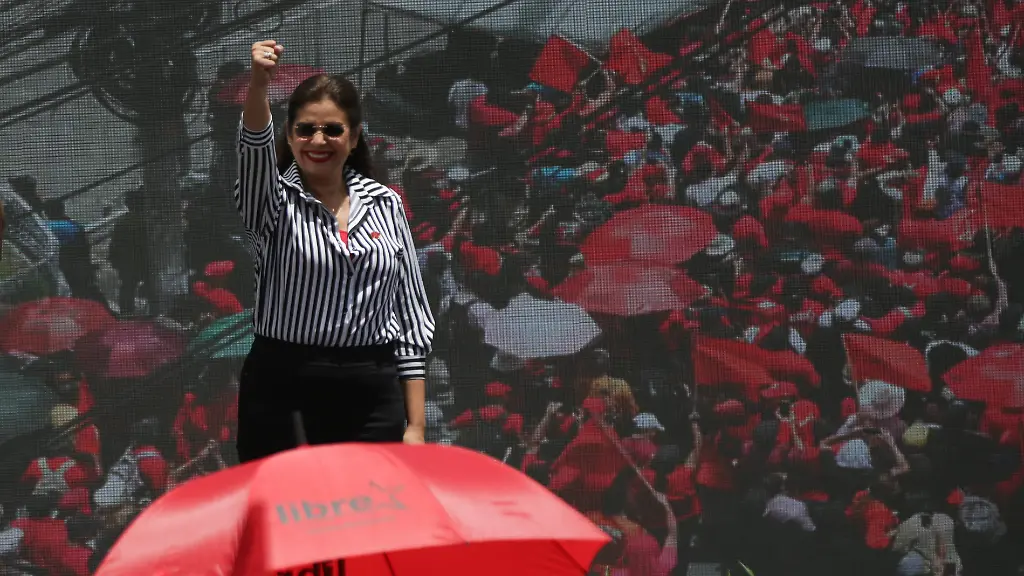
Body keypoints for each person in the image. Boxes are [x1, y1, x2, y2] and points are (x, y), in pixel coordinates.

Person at [232, 39, 434, 462]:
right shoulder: (271, 202)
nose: (318, 140)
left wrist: (415, 425)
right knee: (295, 516)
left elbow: (411, 317)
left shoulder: (386, 203)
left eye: (332, 129)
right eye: (305, 129)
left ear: (354, 136)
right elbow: (253, 150)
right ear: (289, 134)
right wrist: (258, 85)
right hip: (287, 388)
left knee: (372, 517)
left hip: (374, 388)